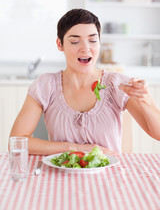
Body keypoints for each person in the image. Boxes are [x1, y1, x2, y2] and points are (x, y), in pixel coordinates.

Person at [9, 9, 160, 155]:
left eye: (93, 40)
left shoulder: (118, 85)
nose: (86, 49)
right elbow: (15, 142)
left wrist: (145, 98)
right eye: (75, 41)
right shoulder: (45, 85)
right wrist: (74, 148)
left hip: (108, 178)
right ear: (60, 44)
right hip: (61, 177)